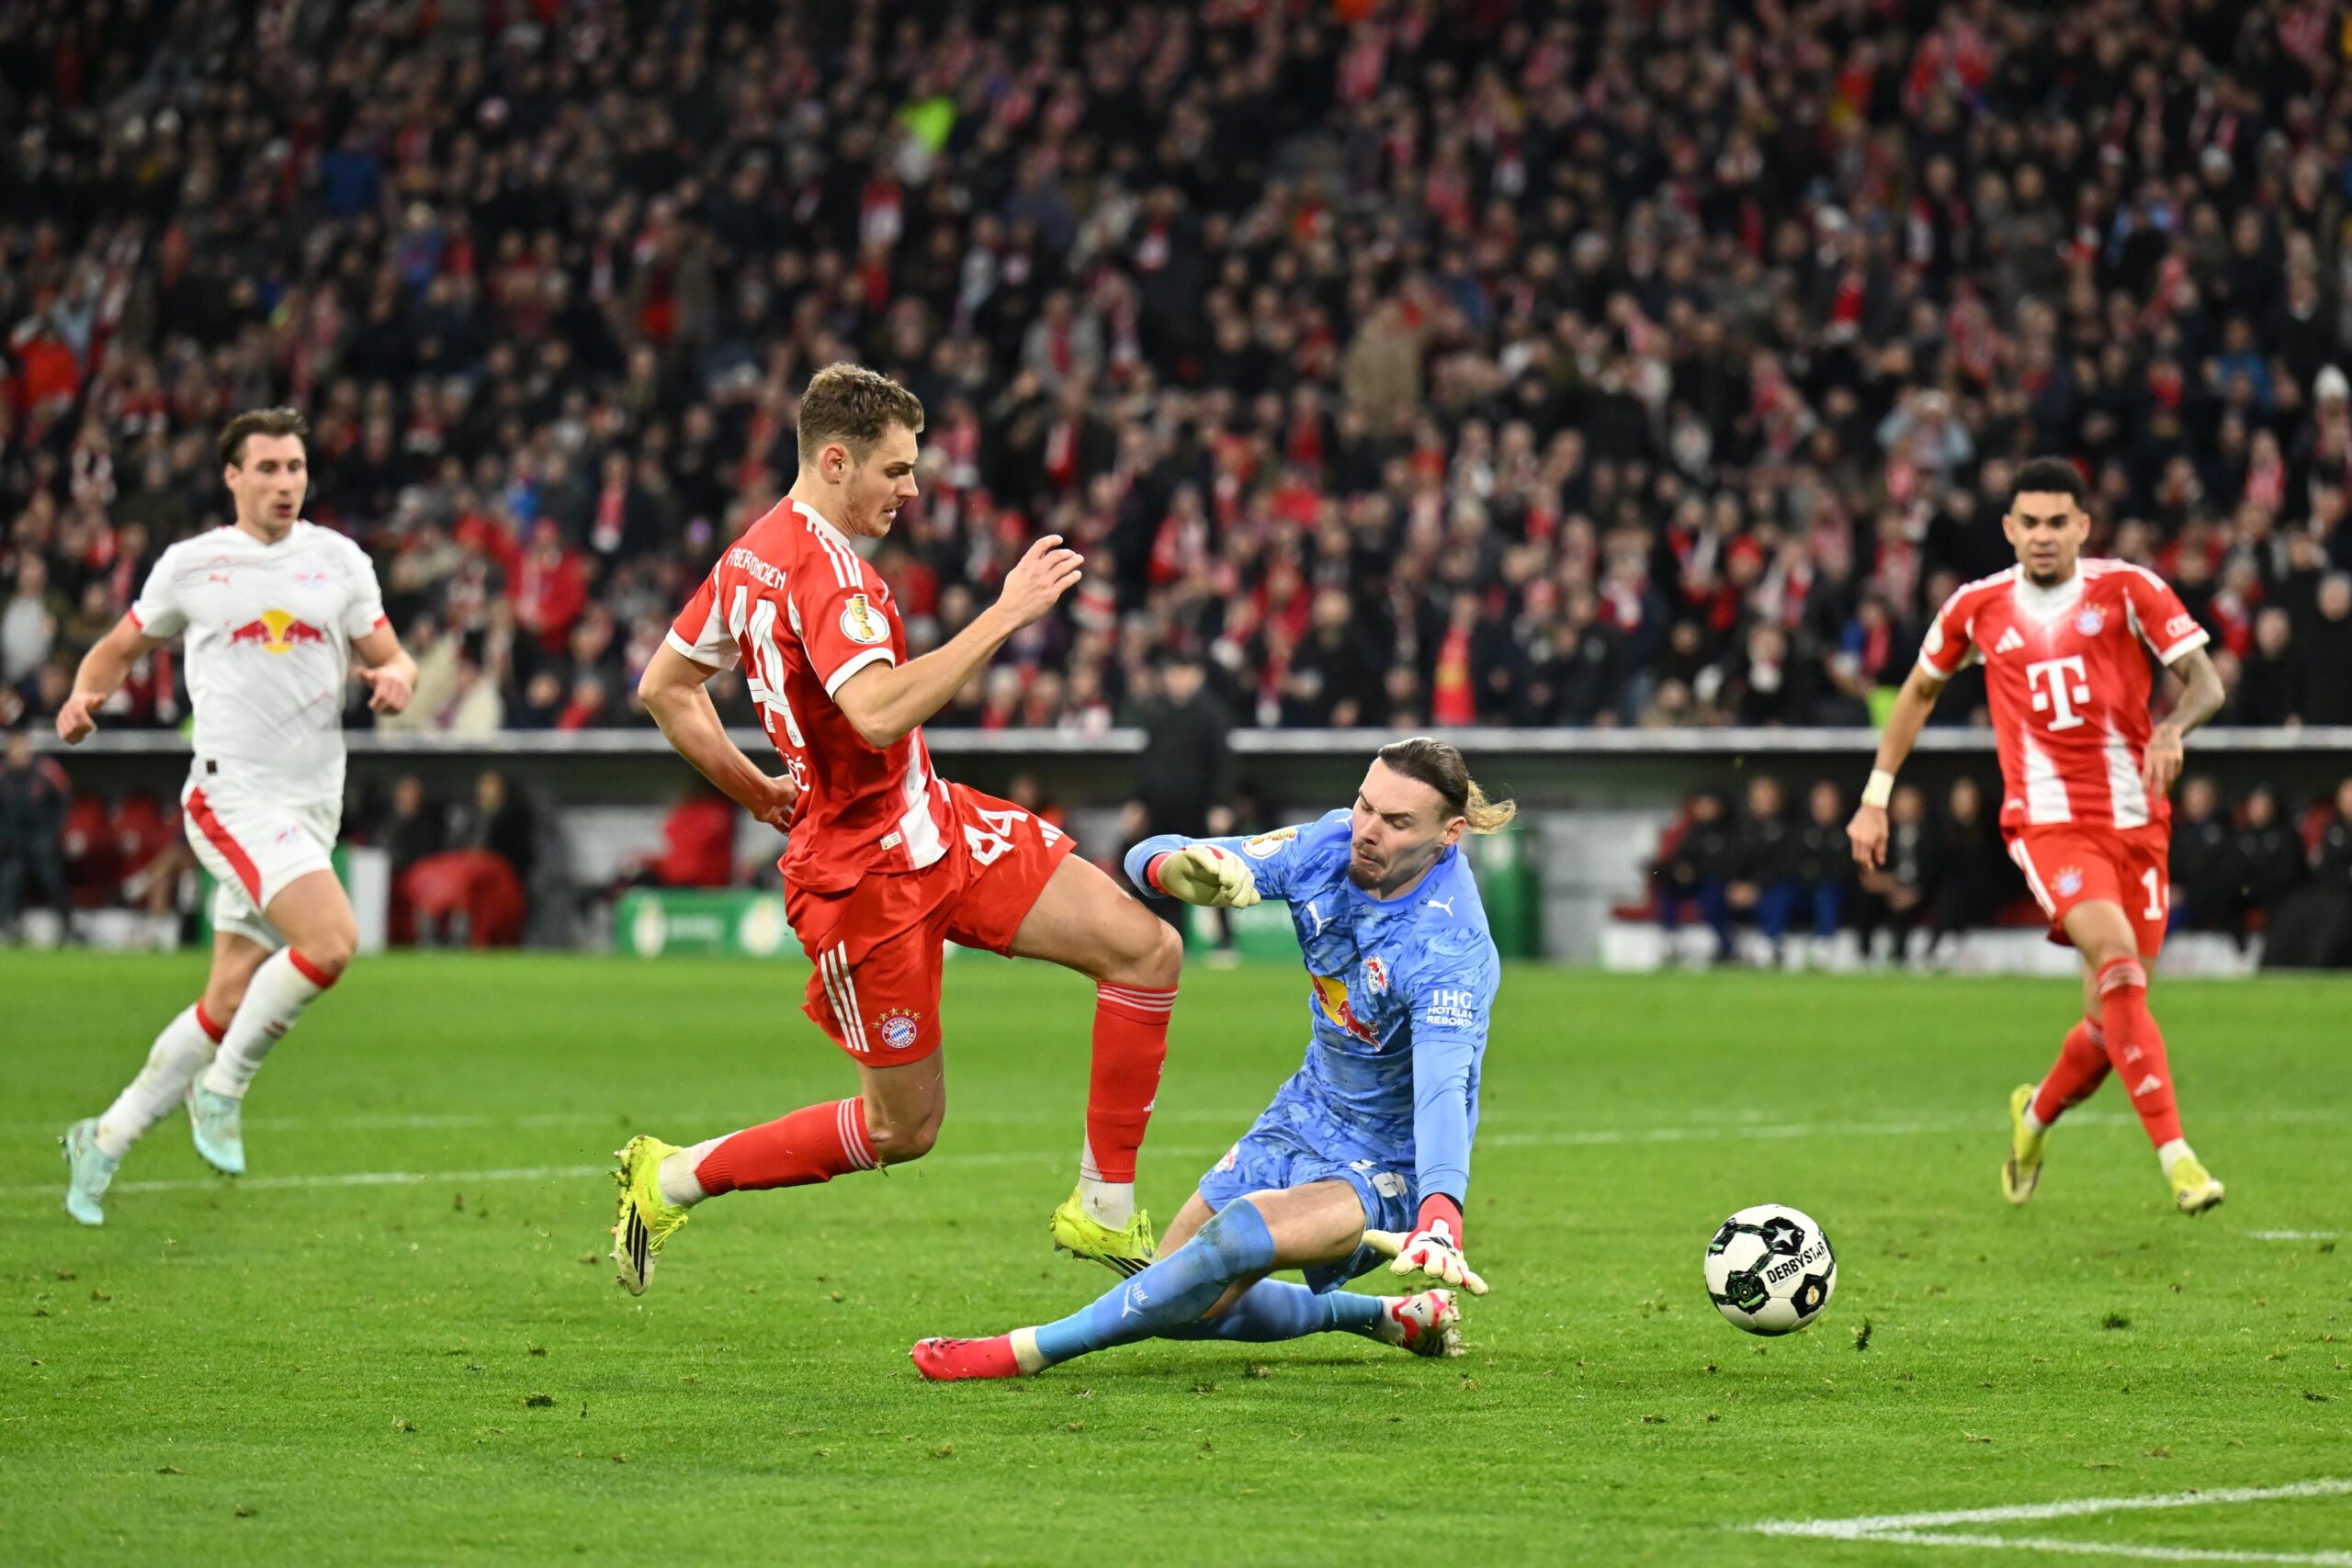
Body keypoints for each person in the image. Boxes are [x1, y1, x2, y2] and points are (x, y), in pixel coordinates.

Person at [610, 363, 1182, 1294]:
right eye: (897, 470)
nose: (912, 491)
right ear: (835, 461)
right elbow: (875, 712)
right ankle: (671, 1176)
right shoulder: (833, 579)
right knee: (902, 1130)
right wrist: (1004, 615)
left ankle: (1102, 1208)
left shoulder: (752, 552)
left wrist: (754, 790)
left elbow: (664, 687)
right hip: (862, 883)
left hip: (934, 825)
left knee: (1145, 949)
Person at [910, 738, 1504, 1380]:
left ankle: (1026, 1350)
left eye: (1396, 822)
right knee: (1181, 1297)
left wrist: (1440, 1217)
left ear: (1450, 833)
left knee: (1235, 1236)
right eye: (1363, 805)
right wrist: (1176, 871)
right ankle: (1385, 1316)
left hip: (1392, 1158)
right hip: (1308, 1107)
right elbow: (1147, 854)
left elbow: (1444, 1088)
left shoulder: (1450, 946)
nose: (1366, 830)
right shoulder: (1328, 846)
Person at [54, 407, 416, 1224]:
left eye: (295, 467)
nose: (285, 482)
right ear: (233, 476)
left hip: (313, 799)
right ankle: (222, 1090)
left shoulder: (340, 561)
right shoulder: (193, 566)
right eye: (268, 468)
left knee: (224, 998)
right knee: (330, 940)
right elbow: (118, 648)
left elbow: (391, 653)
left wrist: (398, 678)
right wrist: (83, 694)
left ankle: (102, 1139)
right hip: (231, 795)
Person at [1849, 457, 2229, 1215]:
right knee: (2119, 964)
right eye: (2030, 522)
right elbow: (1920, 691)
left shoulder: (2130, 589)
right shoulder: (1977, 607)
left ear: (2083, 526)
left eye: (2059, 522)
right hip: (2049, 824)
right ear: (2009, 529)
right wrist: (1875, 797)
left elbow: (2207, 681)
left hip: (2141, 823)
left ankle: (2033, 1117)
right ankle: (2179, 1159)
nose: (2044, 535)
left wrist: (2173, 728)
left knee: (2106, 1021)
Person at [0, 730, 73, 939]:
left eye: (24, 747)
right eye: (16, 748)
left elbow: (65, 800)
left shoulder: (46, 770)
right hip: (11, 840)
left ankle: (66, 924)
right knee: (10, 878)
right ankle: (8, 926)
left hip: (41, 837)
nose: (21, 752)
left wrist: (54, 832)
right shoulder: (3, 773)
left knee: (51, 877)